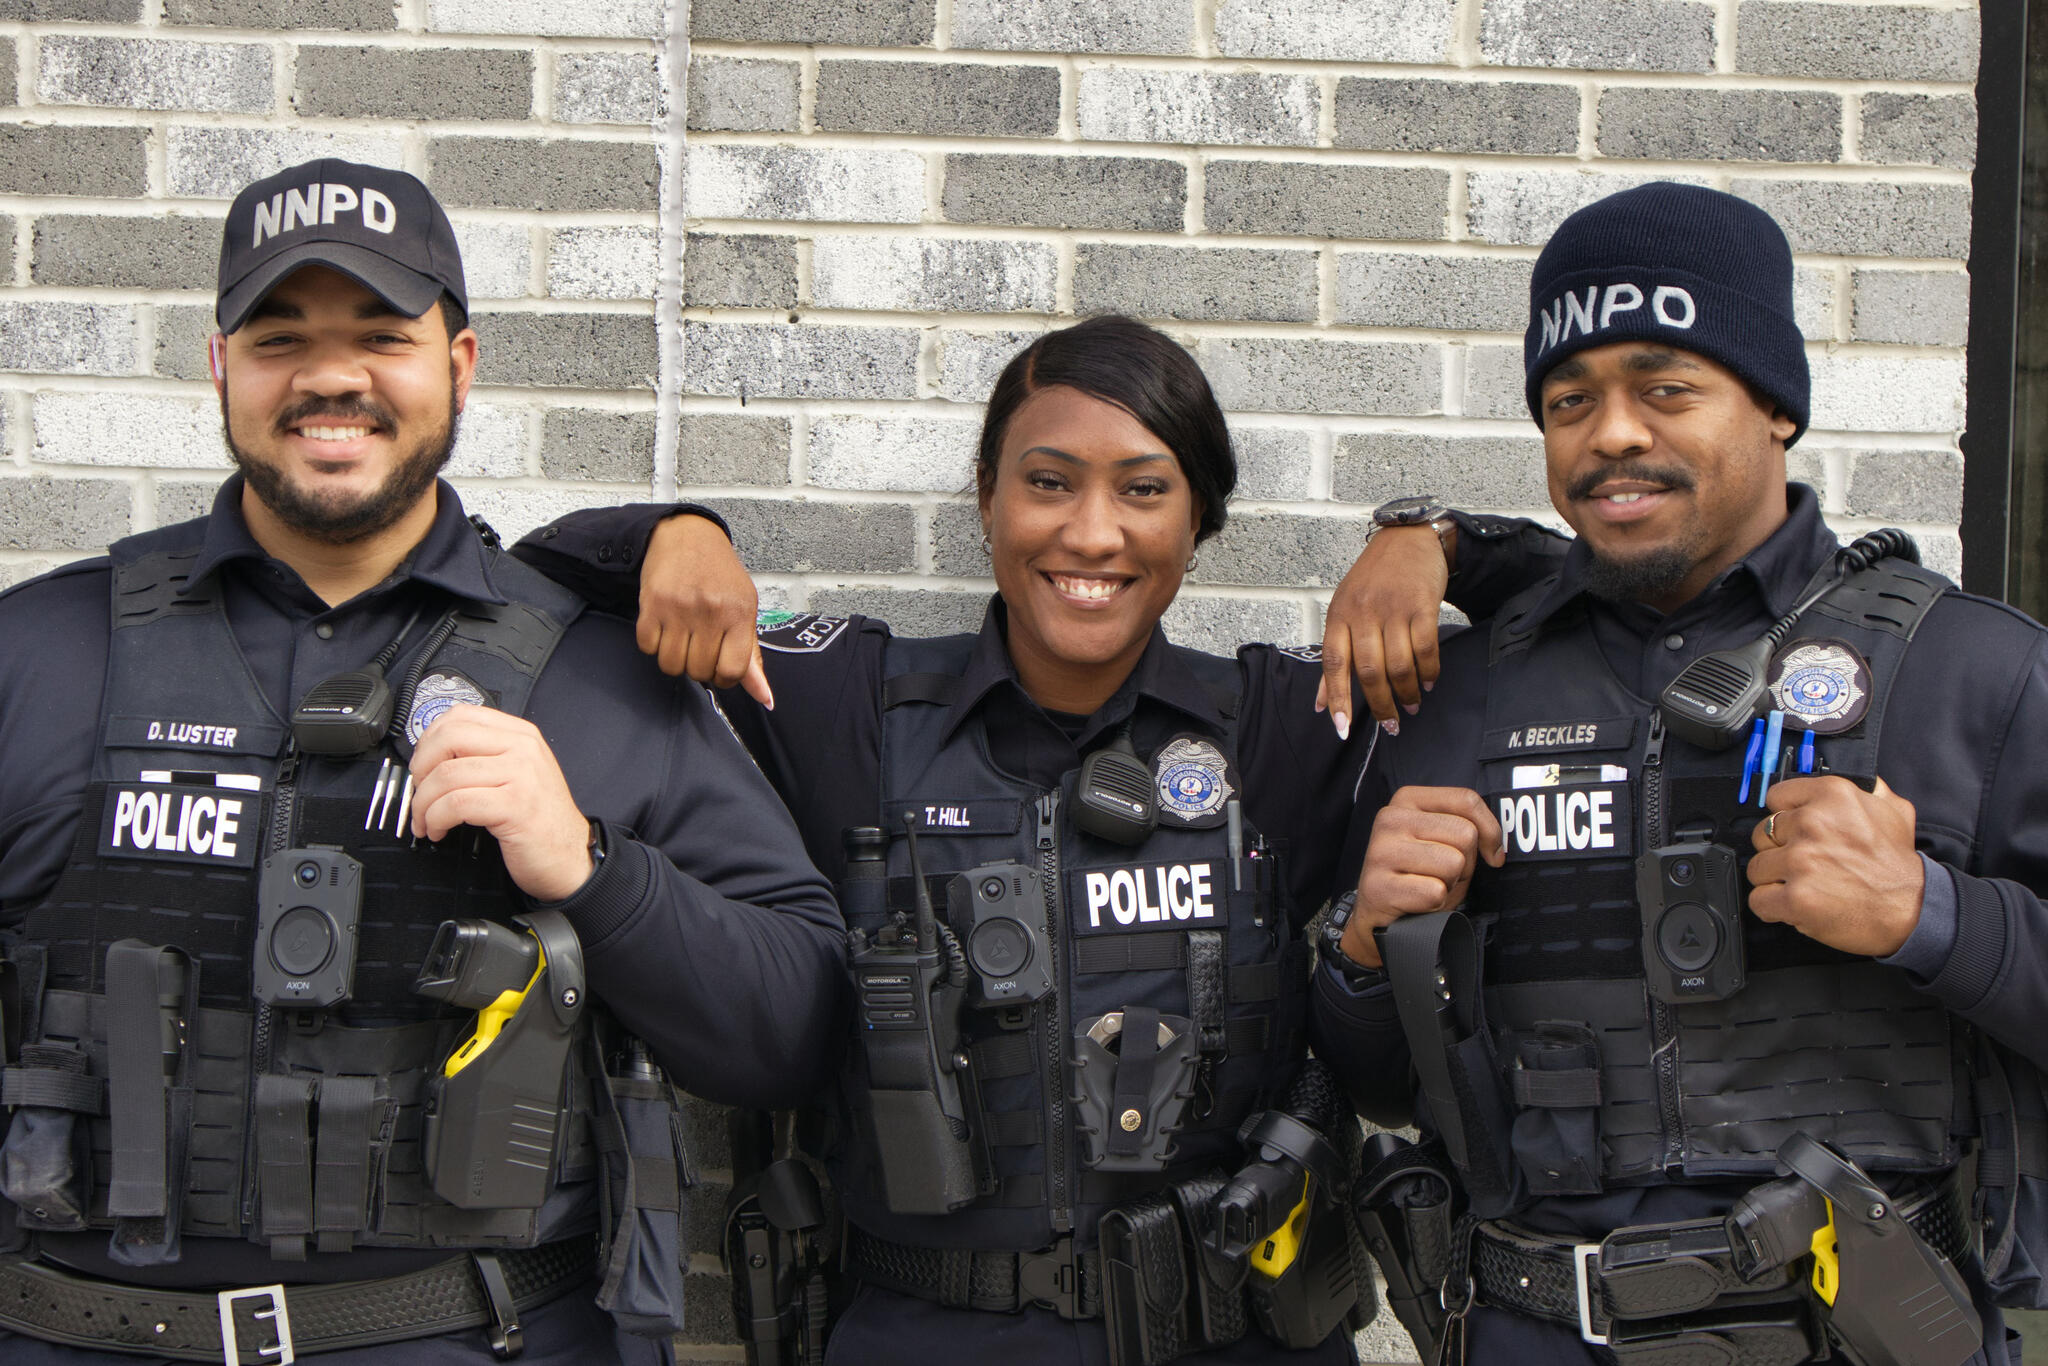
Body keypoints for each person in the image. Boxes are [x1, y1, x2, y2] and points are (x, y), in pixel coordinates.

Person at [513, 315, 1508, 1364]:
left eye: (1142, 488)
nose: (1090, 533)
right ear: (985, 494)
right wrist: (671, 534)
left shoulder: (1280, 723)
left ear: (1199, 518)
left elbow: (1597, 601)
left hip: (1229, 1332)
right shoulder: (843, 703)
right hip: (923, 1331)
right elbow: (526, 588)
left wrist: (1432, 542)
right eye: (1047, 481)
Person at [0, 158, 846, 1365]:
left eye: (384, 336)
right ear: (219, 366)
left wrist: (592, 871)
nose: (332, 375)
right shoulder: (39, 651)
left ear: (459, 364)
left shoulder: (596, 676)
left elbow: (796, 1034)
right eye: (280, 336)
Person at [1313, 182, 2048, 1365]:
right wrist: (1364, 954)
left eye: (1664, 387)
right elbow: (1387, 1086)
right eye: (1568, 400)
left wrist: (1934, 916)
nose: (1609, 433)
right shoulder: (1447, 694)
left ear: (1773, 406)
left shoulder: (1975, 674)